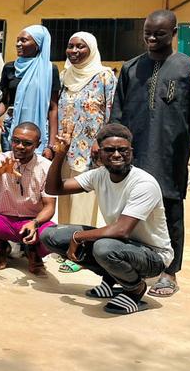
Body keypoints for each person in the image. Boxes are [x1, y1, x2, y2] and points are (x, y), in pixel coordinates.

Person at [111, 9, 190, 298]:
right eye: (147, 32)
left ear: (174, 33)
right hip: (133, 154)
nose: (152, 38)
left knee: (171, 213)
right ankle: (130, 266)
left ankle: (170, 272)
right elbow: (117, 114)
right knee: (129, 211)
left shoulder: (187, 68)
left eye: (159, 33)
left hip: (170, 154)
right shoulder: (131, 67)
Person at [42, 123, 173, 315]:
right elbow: (54, 189)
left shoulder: (144, 183)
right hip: (120, 244)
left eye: (123, 150)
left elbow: (122, 230)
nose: (117, 155)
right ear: (100, 153)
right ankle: (112, 280)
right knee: (51, 235)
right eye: (110, 150)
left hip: (152, 256)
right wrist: (61, 154)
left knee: (103, 247)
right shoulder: (99, 175)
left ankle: (134, 288)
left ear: (131, 151)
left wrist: (79, 236)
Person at [56, 31, 116, 273]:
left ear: (92, 48)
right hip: (65, 147)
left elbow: (112, 111)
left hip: (90, 149)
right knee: (65, 199)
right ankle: (63, 245)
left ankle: (79, 250)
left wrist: (102, 144)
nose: (74, 51)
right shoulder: (65, 75)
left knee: (83, 201)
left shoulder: (104, 76)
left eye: (81, 47)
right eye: (70, 46)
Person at [0, 122, 56, 276]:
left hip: (32, 221)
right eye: (16, 141)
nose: (20, 146)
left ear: (37, 145)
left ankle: (34, 252)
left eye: (27, 143)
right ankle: (1, 249)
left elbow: (49, 206)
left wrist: (35, 223)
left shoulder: (46, 167)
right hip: (2, 219)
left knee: (52, 235)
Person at [0, 25, 59, 155]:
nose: (18, 44)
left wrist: (51, 144)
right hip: (12, 127)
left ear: (37, 45)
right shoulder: (10, 68)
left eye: (24, 40)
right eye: (17, 40)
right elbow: (5, 101)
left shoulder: (49, 70)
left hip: (39, 130)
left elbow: (53, 108)